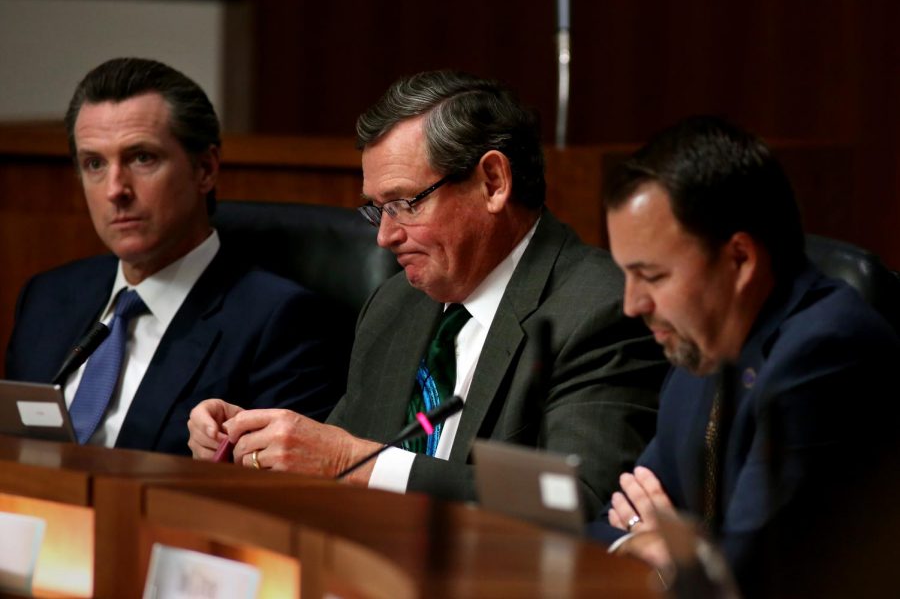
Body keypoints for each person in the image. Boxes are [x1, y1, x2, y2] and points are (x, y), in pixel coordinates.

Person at [188, 70, 667, 516]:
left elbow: (580, 501)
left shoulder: (599, 307)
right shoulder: (394, 305)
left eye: (403, 204)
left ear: (493, 183)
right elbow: (333, 460)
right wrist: (250, 446)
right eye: (378, 210)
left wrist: (357, 463)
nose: (385, 236)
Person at [589, 116, 900, 596]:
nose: (632, 305)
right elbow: (620, 517)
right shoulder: (700, 349)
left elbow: (746, 573)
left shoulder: (827, 353)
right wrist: (648, 540)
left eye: (651, 276)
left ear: (739, 260)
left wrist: (674, 544)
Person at [5, 57, 338, 454]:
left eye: (142, 158)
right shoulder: (47, 296)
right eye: (94, 163)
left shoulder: (279, 322)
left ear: (205, 170)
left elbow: (278, 491)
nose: (115, 189)